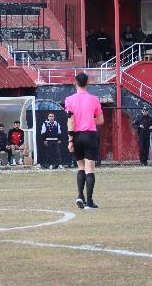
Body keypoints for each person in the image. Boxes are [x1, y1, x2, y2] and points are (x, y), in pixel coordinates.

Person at [64, 73, 104, 209]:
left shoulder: (69, 100)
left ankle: (80, 196)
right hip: (90, 135)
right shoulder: (94, 99)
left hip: (76, 136)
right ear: (88, 83)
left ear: (75, 82)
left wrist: (70, 140)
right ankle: (89, 201)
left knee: (80, 167)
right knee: (90, 169)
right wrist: (89, 119)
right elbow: (100, 120)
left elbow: (71, 120)